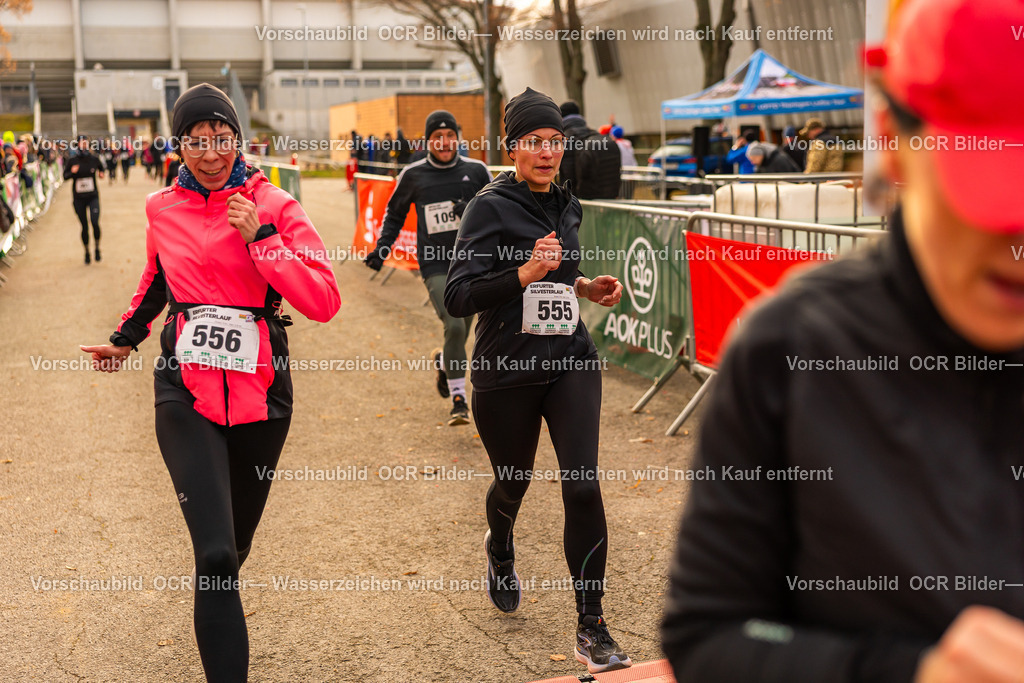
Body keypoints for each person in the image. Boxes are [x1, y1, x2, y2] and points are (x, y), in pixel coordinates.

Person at [661, 1, 1024, 682]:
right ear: (894, 139)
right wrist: (910, 674)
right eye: (995, 197)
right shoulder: (790, 352)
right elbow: (711, 634)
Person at [80, 83, 340, 682]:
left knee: (232, 551)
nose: (209, 153)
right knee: (217, 554)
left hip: (263, 396)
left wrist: (262, 240)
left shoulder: (274, 204)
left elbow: (325, 300)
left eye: (220, 139)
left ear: (237, 139)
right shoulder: (161, 207)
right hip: (184, 390)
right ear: (179, 146)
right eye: (195, 141)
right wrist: (125, 339)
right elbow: (156, 280)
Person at [445, 87, 631, 675]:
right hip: (508, 370)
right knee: (513, 482)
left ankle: (592, 626)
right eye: (535, 142)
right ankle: (499, 544)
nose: (548, 152)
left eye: (555, 142)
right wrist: (525, 271)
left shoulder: (568, 203)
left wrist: (584, 288)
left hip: (570, 360)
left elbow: (561, 269)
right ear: (513, 147)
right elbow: (458, 295)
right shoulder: (487, 207)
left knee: (582, 484)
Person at [364, 110, 491, 425]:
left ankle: (444, 363)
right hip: (435, 263)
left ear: (457, 138)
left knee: (460, 327)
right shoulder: (413, 174)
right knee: (457, 325)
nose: (445, 142)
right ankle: (460, 399)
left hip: (471, 263)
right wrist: (382, 250)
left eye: (450, 136)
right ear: (428, 140)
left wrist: (473, 208)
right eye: (438, 137)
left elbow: (496, 207)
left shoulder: (477, 171)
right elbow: (394, 214)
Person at [558, 100, 621, 199]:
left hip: (580, 201)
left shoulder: (566, 138)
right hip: (608, 197)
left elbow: (568, 177)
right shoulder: (594, 134)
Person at [63, 135, 105, 264]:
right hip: (79, 199)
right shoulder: (72, 160)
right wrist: (72, 172)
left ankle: (97, 248)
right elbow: (65, 176)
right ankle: (87, 252)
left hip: (93, 196)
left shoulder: (94, 159)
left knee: (95, 222)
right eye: (81, 143)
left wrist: (101, 173)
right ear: (78, 145)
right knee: (84, 226)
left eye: (86, 143)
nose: (84, 145)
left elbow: (101, 169)